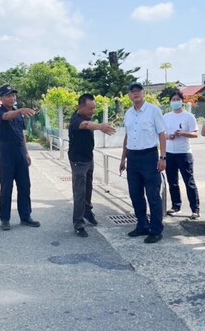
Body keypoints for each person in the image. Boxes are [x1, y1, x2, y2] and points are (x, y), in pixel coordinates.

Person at [119, 82, 167, 244]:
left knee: (153, 195)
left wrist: (163, 157)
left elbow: (162, 134)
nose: (135, 94)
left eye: (138, 91)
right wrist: (123, 157)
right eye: (132, 92)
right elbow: (127, 136)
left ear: (143, 93)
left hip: (149, 157)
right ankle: (142, 225)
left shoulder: (154, 111)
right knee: (135, 194)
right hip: (133, 158)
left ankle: (156, 229)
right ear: (129, 95)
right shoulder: (128, 113)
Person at [0, 85, 41, 231]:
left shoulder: (18, 114)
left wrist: (26, 153)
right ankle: (5, 219)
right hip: (6, 153)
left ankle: (26, 216)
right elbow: (6, 117)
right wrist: (20, 111)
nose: (13, 98)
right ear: (1, 98)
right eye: (9, 95)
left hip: (20, 152)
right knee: (6, 188)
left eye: (14, 95)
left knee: (25, 186)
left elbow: (22, 135)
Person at [68, 94, 116, 238]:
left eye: (94, 107)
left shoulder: (87, 117)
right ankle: (78, 223)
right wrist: (100, 126)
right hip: (78, 161)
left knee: (88, 188)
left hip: (88, 159)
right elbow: (86, 125)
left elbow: (88, 123)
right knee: (79, 192)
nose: (93, 110)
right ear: (80, 107)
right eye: (90, 108)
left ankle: (87, 211)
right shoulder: (76, 120)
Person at [163, 90, 201, 219]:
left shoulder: (188, 116)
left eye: (177, 99)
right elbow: (162, 134)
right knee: (172, 182)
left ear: (182, 101)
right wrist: (169, 136)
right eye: (173, 100)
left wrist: (184, 133)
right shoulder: (166, 116)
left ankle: (195, 209)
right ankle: (176, 206)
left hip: (184, 153)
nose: (175, 102)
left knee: (189, 181)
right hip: (169, 152)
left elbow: (195, 134)